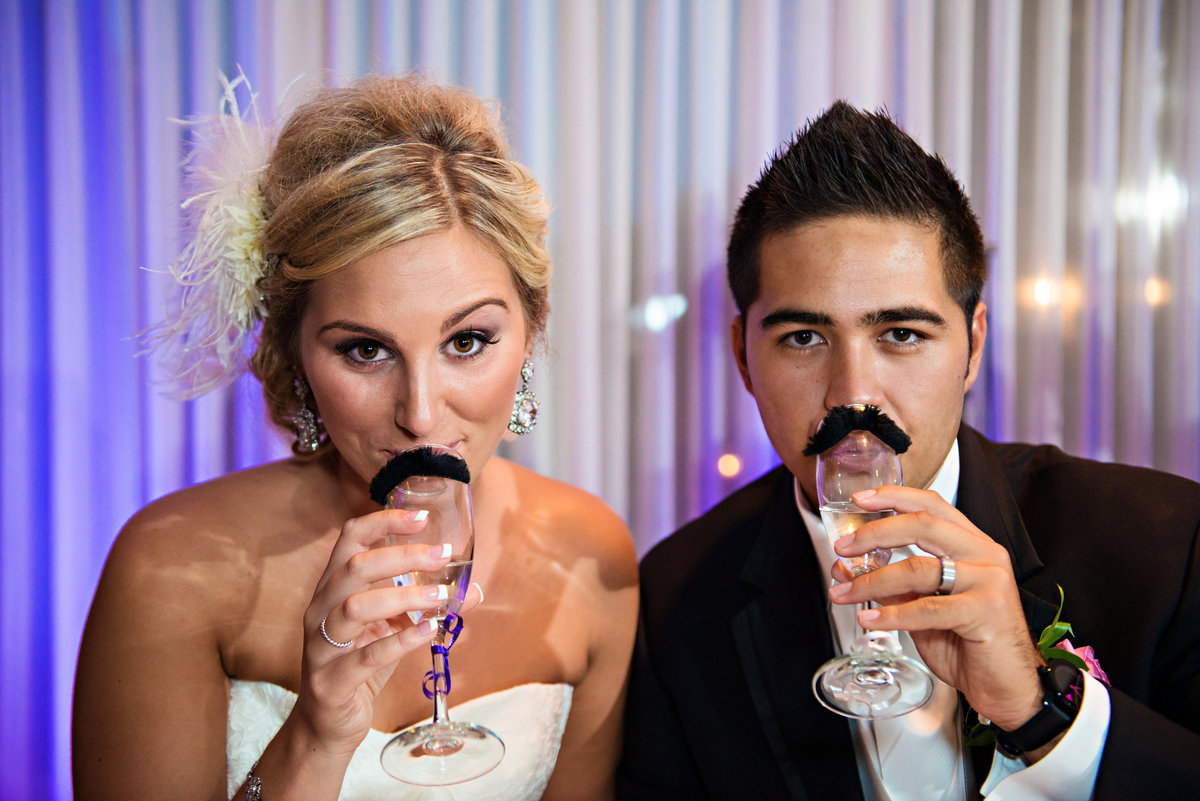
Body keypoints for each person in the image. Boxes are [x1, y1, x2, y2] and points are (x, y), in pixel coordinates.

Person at [72, 74, 638, 801]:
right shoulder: (171, 569)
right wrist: (316, 732)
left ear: (530, 330)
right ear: (295, 354)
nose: (422, 414)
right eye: (365, 350)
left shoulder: (591, 557)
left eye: (467, 340)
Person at [617, 102, 1200, 800]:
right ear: (744, 357)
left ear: (973, 345)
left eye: (900, 333)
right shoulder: (677, 604)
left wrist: (1043, 713)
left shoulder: (1164, 543)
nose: (852, 395)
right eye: (804, 337)